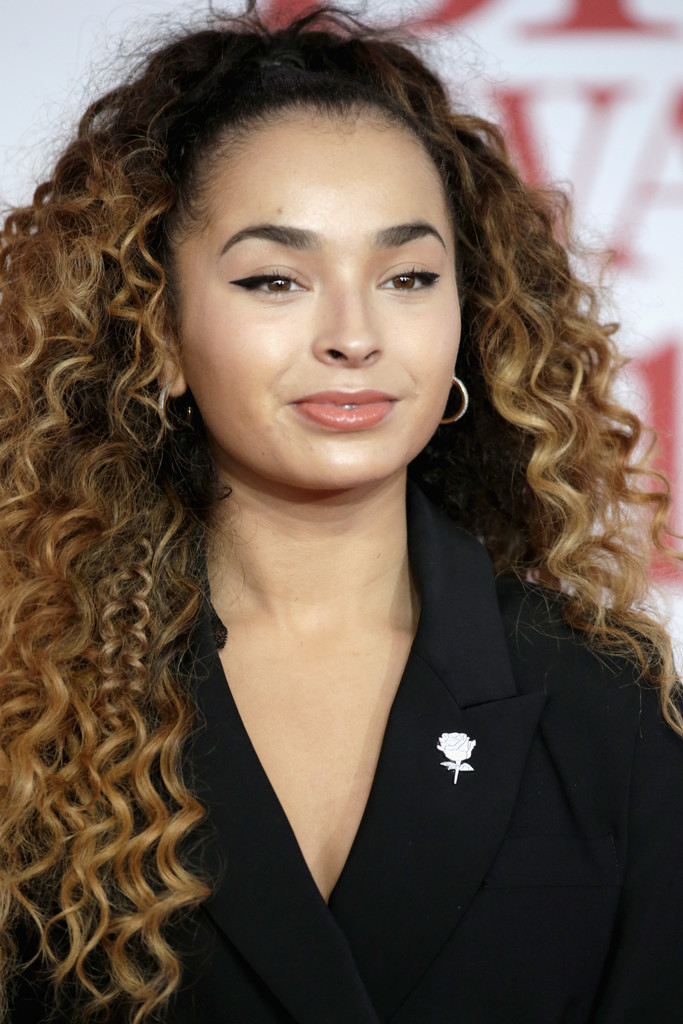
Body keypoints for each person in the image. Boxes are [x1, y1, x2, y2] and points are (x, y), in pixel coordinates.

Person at [1, 5, 682, 1022]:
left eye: (407, 277)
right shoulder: (32, 704)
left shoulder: (604, 708)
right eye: (275, 278)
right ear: (158, 329)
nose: (354, 335)